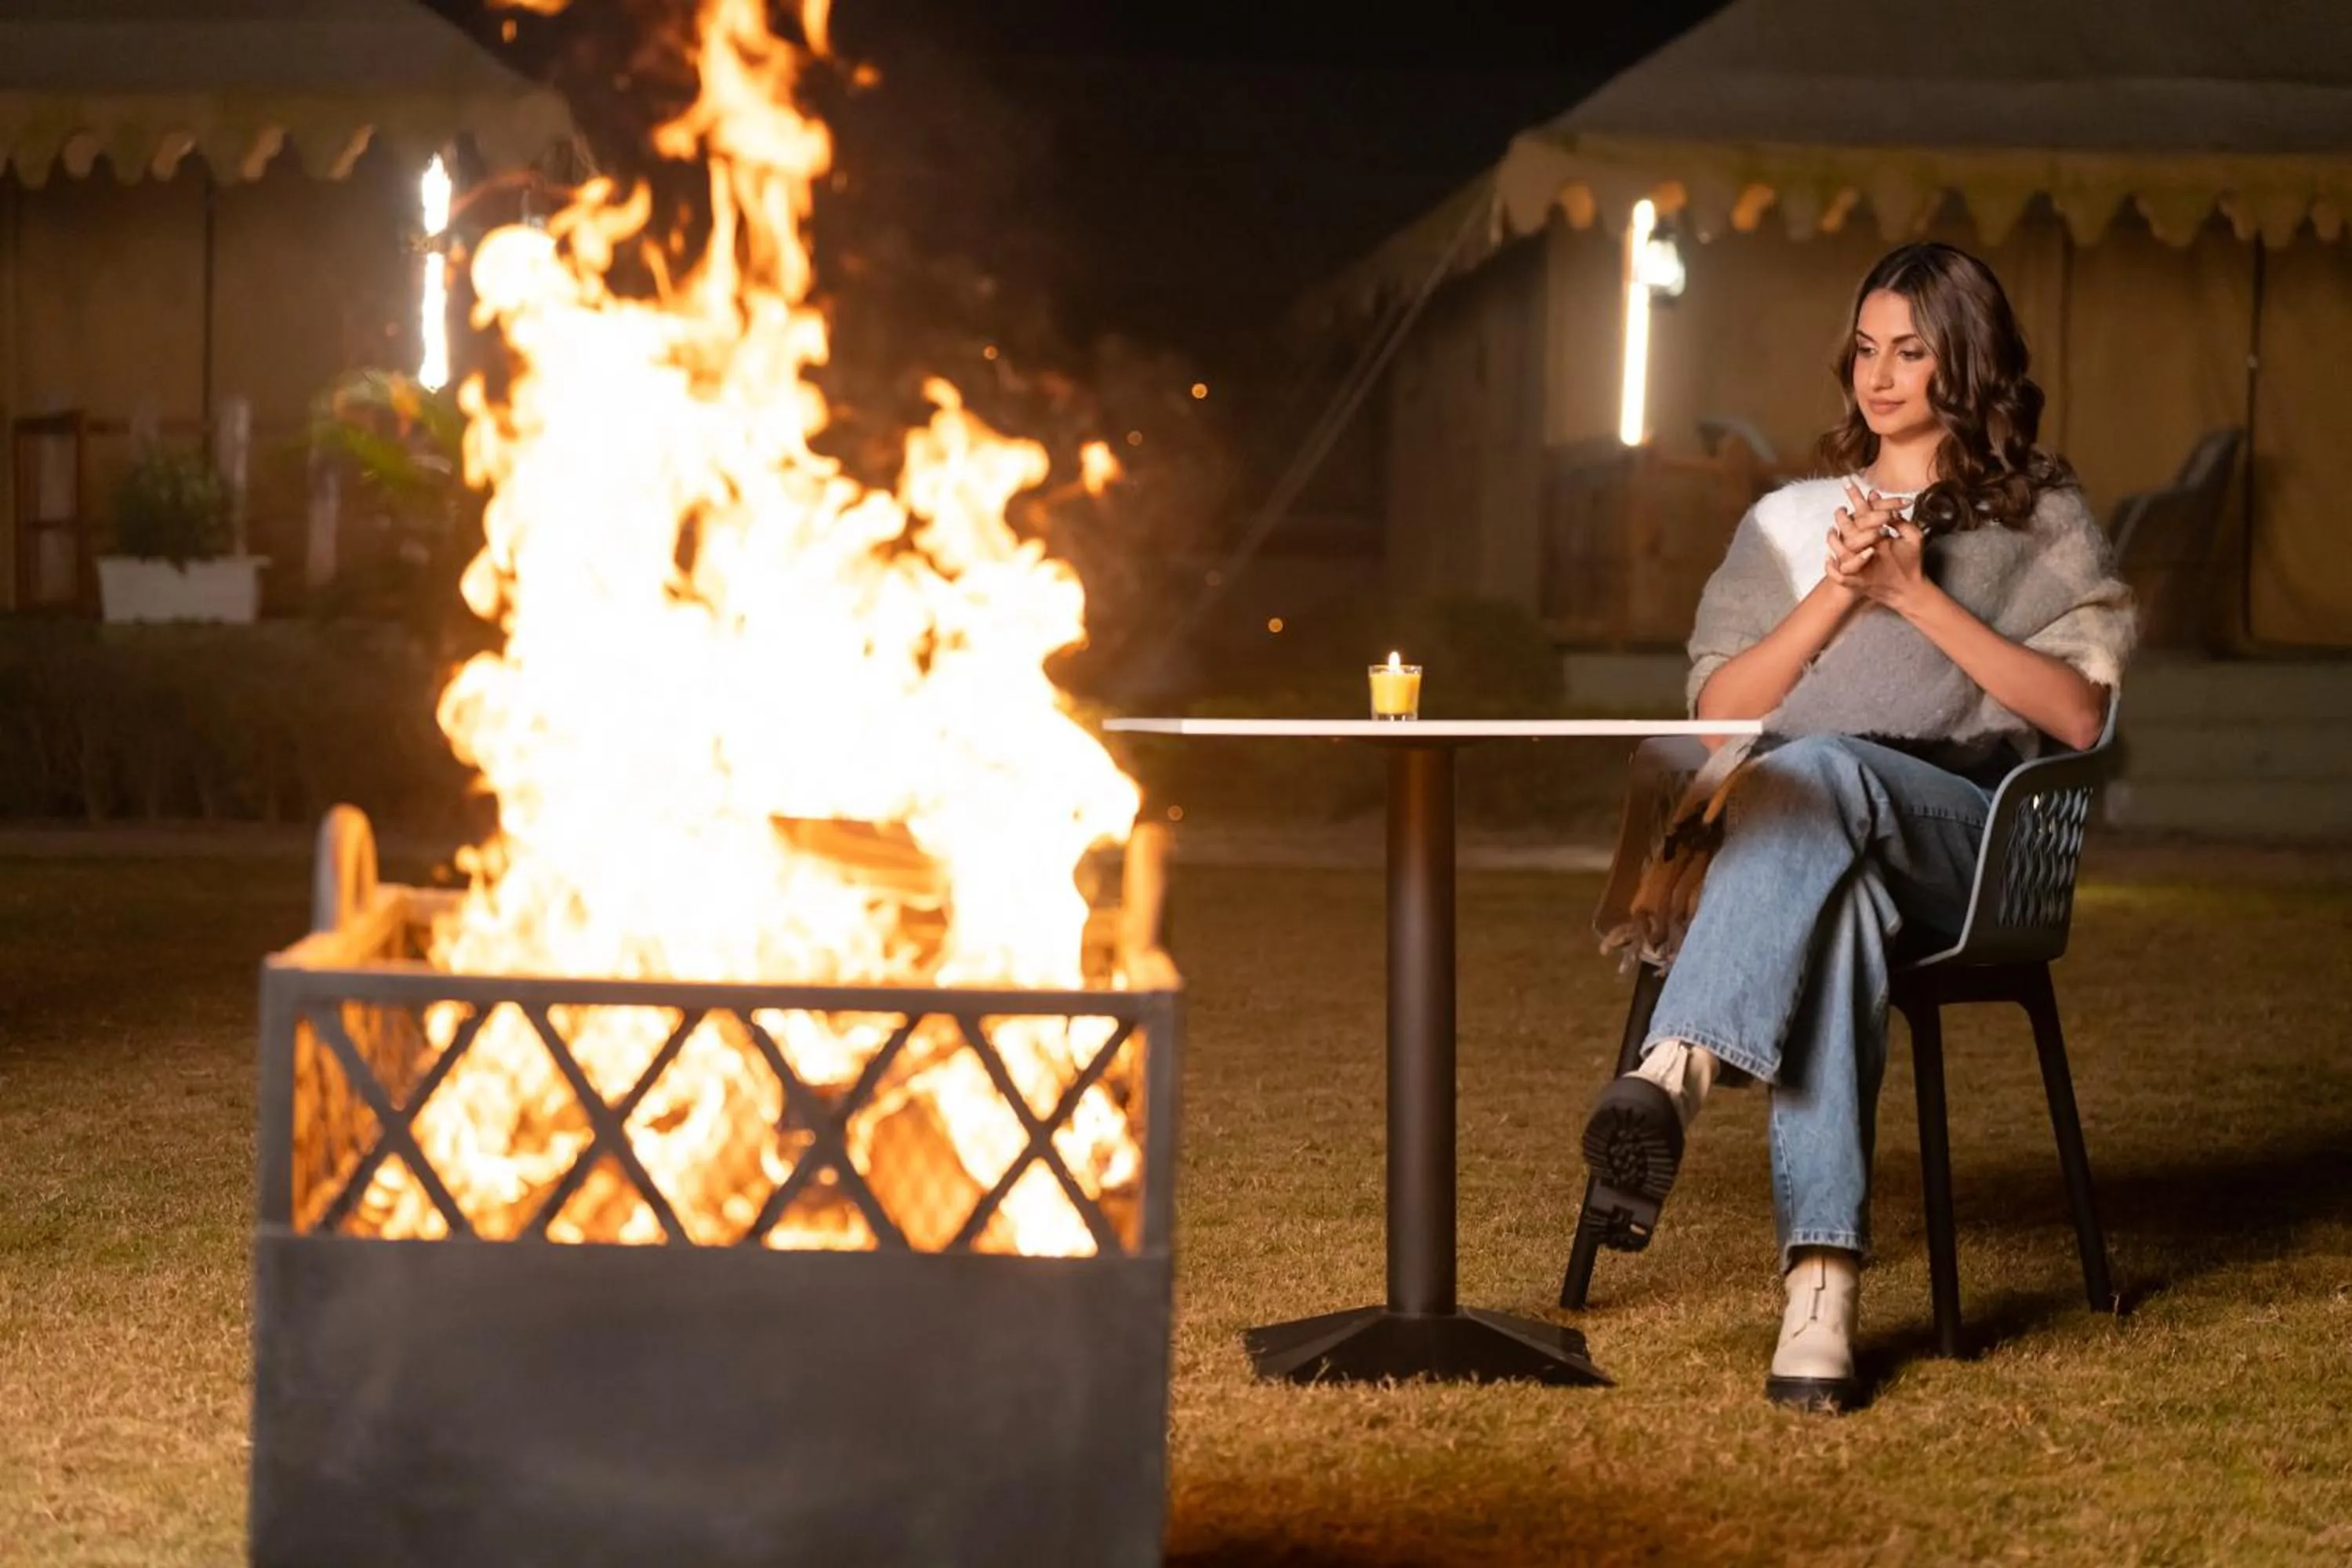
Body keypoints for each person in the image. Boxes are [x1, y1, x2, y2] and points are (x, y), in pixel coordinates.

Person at [1580, 241, 2136, 1413]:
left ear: (1965, 361)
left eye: (1912, 351)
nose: (1880, 378)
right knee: (1838, 913)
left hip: (1966, 843)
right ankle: (1819, 1304)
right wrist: (1841, 587)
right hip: (1805, 847)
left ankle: (1675, 1067)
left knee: (1827, 771)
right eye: (1866, 351)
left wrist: (1915, 596)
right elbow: (1721, 710)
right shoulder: (1790, 522)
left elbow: (2081, 716)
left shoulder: (2040, 516)